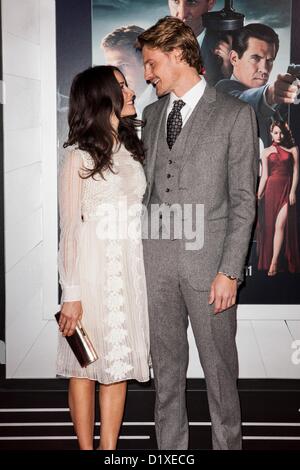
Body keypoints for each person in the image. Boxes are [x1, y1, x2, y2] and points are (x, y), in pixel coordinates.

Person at [137, 17, 258, 450]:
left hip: (211, 271)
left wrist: (230, 271)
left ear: (177, 55)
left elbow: (244, 201)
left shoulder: (236, 115)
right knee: (166, 375)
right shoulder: (150, 116)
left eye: (152, 64)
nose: (147, 74)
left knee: (220, 374)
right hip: (155, 265)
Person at [56, 65, 150, 450]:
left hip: (129, 269)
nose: (131, 91)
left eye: (128, 85)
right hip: (91, 273)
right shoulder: (78, 158)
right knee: (86, 366)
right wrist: (71, 292)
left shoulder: (132, 148)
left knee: (117, 367)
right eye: (123, 86)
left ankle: (109, 451)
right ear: (102, 96)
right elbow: (71, 230)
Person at [216, 23, 300, 148]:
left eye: (269, 60)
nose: (264, 69)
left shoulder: (275, 109)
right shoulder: (222, 92)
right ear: (234, 58)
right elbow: (243, 103)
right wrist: (271, 94)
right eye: (255, 58)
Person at [257, 121, 300, 275]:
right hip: (271, 191)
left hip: (287, 189)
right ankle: (273, 261)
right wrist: (258, 194)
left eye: (281, 132)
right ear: (271, 133)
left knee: (280, 225)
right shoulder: (266, 152)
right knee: (270, 227)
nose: (279, 135)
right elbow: (264, 176)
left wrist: (293, 191)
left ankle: (274, 262)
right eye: (275, 132)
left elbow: (296, 172)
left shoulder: (293, 150)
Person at [167, 0, 232, 84]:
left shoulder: (229, 46)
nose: (182, 15)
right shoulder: (157, 44)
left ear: (210, 3)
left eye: (192, 3)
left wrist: (229, 72)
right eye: (176, 2)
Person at [101, 25, 156, 117]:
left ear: (146, 64)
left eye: (123, 65)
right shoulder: (107, 108)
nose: (116, 75)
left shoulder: (167, 102)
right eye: (111, 68)